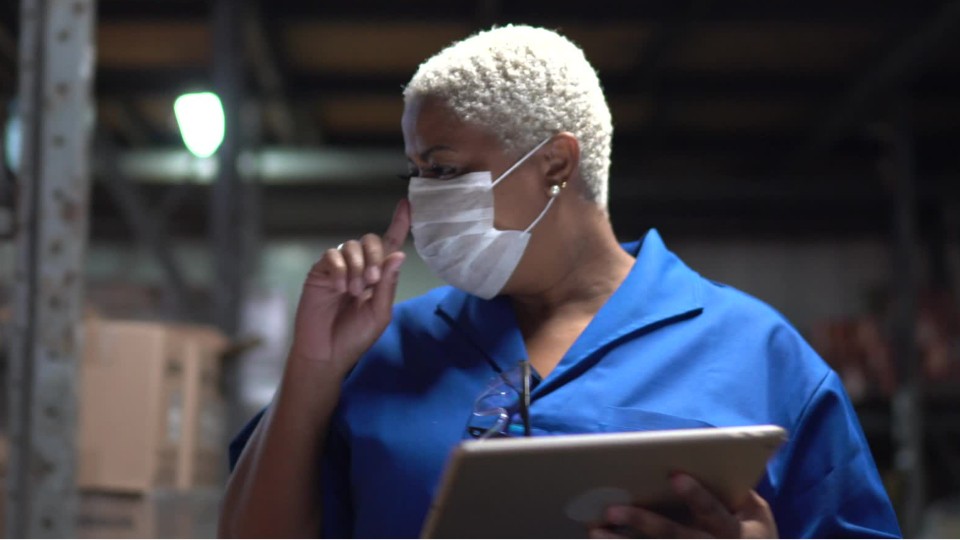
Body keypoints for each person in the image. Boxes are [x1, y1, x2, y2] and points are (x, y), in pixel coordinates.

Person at [218, 25, 902, 538]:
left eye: (445, 169)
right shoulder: (390, 350)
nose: (420, 201)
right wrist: (313, 368)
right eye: (416, 173)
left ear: (555, 164)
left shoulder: (756, 353)